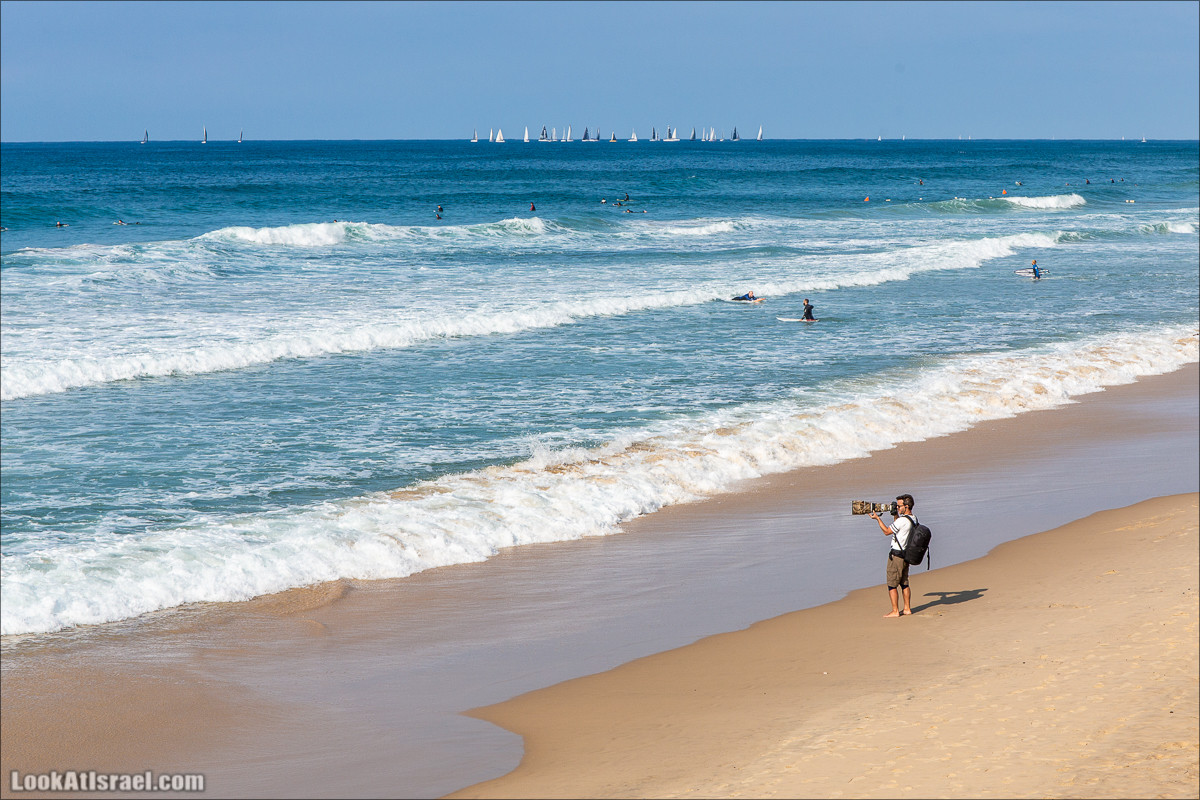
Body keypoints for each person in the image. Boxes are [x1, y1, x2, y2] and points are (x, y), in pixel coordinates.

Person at [869, 494, 916, 617]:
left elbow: (887, 531)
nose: (898, 508)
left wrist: (877, 519)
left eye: (899, 506)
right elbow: (899, 528)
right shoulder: (913, 519)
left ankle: (895, 611)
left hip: (896, 556)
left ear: (906, 506)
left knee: (892, 584)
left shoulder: (902, 521)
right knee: (904, 583)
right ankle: (907, 609)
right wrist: (895, 515)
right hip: (906, 556)